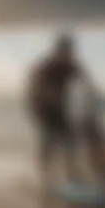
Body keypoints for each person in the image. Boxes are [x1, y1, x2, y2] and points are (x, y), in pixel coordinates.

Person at [26, 33, 97, 183]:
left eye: (69, 51)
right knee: (49, 139)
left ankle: (71, 173)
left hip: (59, 108)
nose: (67, 54)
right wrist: (41, 99)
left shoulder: (72, 66)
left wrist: (90, 109)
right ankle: (45, 174)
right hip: (42, 108)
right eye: (64, 50)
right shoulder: (47, 66)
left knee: (69, 140)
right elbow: (32, 84)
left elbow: (88, 85)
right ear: (57, 50)